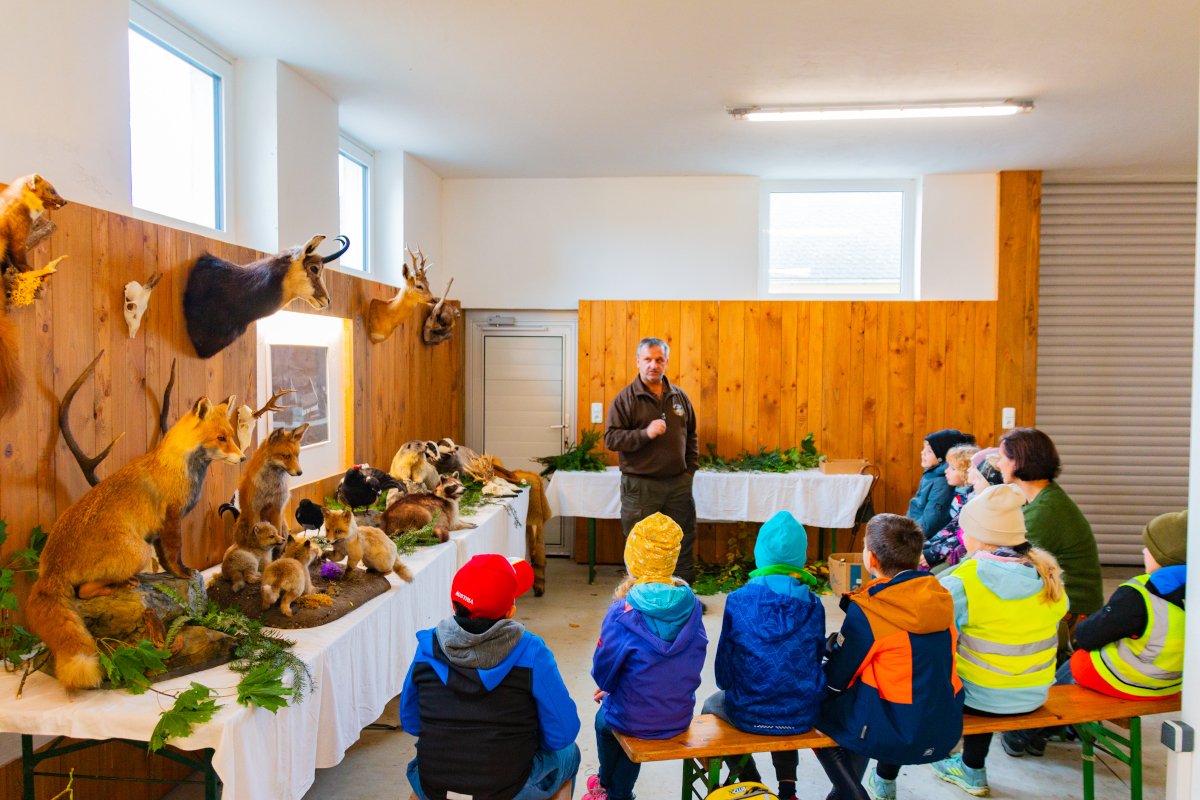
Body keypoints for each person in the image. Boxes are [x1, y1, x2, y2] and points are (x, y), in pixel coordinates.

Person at [1003, 509, 1187, 757]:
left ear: (1166, 558)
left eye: (1150, 548)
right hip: (1171, 683)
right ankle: (1043, 734)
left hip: (1132, 682)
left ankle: (1023, 734)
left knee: (1079, 660)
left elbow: (1089, 636)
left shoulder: (1141, 594)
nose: (1144, 551)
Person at [401, 555, 581, 800]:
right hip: (510, 788)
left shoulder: (427, 648)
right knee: (570, 752)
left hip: (433, 786)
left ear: (454, 606)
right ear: (511, 612)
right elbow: (563, 733)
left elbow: (411, 722)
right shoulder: (532, 651)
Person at [928, 484, 1067, 797]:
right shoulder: (1048, 576)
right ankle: (971, 769)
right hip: (1034, 692)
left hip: (980, 698)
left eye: (965, 531)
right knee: (990, 667)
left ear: (978, 537)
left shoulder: (964, 582)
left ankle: (954, 764)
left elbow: (931, 628)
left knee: (944, 660)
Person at [814, 514, 964, 800]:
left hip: (892, 731)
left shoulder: (870, 610)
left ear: (870, 558)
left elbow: (836, 681)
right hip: (943, 723)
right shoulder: (941, 597)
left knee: (812, 705)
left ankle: (850, 792)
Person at [702, 511, 826, 800]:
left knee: (710, 706)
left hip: (747, 711)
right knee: (787, 692)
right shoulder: (814, 605)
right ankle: (788, 789)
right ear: (801, 557)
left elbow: (723, 672)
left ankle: (750, 781)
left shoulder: (737, 600)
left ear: (760, 554)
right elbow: (816, 658)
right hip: (801, 714)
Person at [585, 513, 707, 800]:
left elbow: (604, 670)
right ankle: (615, 791)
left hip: (631, 715)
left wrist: (610, 687)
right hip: (679, 715)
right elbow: (694, 659)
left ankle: (611, 789)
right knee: (632, 717)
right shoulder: (693, 606)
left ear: (633, 560)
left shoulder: (621, 611)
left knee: (607, 722)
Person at [998, 427, 1104, 663]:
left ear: (1018, 463)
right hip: (1065, 600)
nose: (998, 464)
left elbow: (1006, 562)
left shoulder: (1046, 510)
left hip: (1073, 610)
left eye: (1003, 457)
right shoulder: (1045, 498)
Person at [604, 337, 700, 584]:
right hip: (640, 486)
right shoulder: (625, 399)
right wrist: (645, 434)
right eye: (647, 360)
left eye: (659, 360)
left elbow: (691, 436)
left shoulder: (679, 397)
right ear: (638, 361)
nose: (653, 365)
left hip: (678, 484)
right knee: (640, 544)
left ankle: (684, 597)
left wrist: (689, 472)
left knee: (683, 540)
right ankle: (639, 603)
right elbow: (612, 439)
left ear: (666, 362)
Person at [921, 444, 980, 571]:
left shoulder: (969, 498)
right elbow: (951, 527)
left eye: (953, 469)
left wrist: (934, 552)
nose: (946, 471)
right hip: (948, 545)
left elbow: (957, 531)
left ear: (966, 473)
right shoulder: (958, 493)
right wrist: (928, 546)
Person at [908, 429, 975, 537]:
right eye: (924, 448)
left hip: (920, 536)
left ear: (941, 456)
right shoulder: (932, 473)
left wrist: (907, 535)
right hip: (914, 529)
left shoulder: (942, 481)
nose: (923, 452)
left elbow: (931, 522)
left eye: (929, 451)